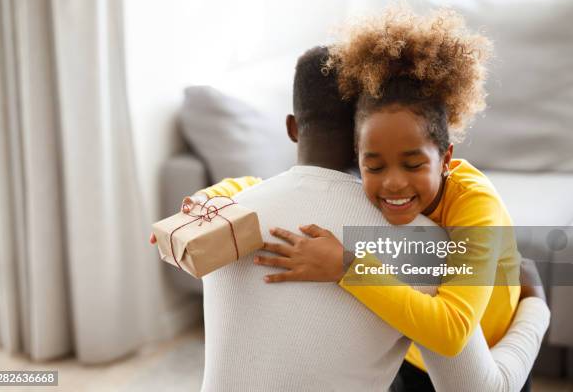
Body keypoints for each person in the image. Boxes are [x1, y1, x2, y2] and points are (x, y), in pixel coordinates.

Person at [152, 45, 548, 391]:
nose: (394, 183)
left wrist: (210, 199)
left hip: (472, 328)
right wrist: (538, 311)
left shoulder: (230, 214)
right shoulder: (423, 242)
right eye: (376, 164)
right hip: (421, 355)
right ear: (359, 140)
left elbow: (450, 329)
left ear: (293, 126)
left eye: (410, 162)